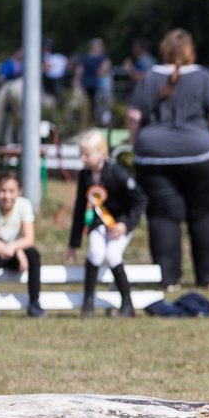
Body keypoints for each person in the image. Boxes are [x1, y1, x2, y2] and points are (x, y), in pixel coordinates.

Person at [126, 28, 209, 290]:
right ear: (190, 51)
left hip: (153, 157)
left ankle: (168, 279)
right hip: (200, 154)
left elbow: (133, 118)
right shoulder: (204, 77)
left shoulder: (148, 78)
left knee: (162, 216)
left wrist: (138, 143)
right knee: (204, 214)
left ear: (164, 50)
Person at [62, 130, 148, 317]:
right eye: (81, 154)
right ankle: (88, 301)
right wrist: (74, 243)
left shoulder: (117, 173)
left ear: (101, 152)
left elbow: (140, 200)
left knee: (112, 254)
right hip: (100, 224)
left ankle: (127, 303)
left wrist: (125, 224)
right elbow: (79, 208)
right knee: (95, 252)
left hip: (120, 225)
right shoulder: (85, 176)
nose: (82, 158)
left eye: (87, 154)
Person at [0, 170, 44, 318]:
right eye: (3, 191)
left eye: (11, 191)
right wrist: (15, 250)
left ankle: (34, 304)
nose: (7, 196)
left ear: (19, 192)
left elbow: (29, 238)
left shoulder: (24, 205)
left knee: (33, 254)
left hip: (11, 253)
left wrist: (14, 248)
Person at [73, 38, 113, 127]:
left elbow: (78, 72)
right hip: (97, 87)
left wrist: (77, 84)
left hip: (86, 86)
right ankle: (99, 125)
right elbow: (104, 69)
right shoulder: (103, 58)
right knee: (99, 108)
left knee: (88, 108)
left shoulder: (84, 58)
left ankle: (89, 124)